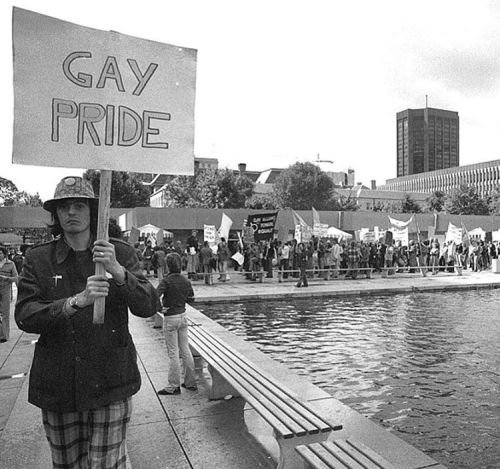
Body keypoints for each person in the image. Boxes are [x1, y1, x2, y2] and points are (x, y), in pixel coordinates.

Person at [15, 176, 158, 468]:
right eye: (64, 206)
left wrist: (118, 272)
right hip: (58, 385)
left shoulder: (121, 252)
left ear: (92, 210)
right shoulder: (38, 259)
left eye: (79, 205)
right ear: (55, 214)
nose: (71, 212)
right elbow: (25, 315)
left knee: (107, 464)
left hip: (110, 381)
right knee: (66, 464)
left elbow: (149, 306)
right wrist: (74, 302)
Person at [156, 252, 197, 395]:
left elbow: (155, 296)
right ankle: (191, 382)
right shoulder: (186, 281)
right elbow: (191, 299)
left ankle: (173, 385)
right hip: (183, 316)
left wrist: (160, 308)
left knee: (173, 353)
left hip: (171, 317)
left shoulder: (166, 281)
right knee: (185, 349)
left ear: (168, 265)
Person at [0, 246, 19, 342]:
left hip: (5, 289)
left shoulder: (11, 264)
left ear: (4, 254)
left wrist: (7, 278)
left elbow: (16, 278)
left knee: (5, 313)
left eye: (0, 253)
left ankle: (4, 335)